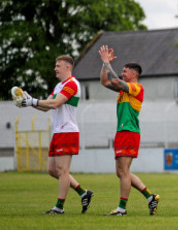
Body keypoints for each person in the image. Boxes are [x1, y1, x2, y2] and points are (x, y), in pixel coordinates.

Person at [14, 55, 93, 214]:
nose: (55, 68)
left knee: (63, 170)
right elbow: (46, 106)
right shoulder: (58, 86)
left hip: (68, 131)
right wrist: (29, 101)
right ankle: (83, 193)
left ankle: (59, 208)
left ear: (68, 67)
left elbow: (56, 103)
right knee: (53, 170)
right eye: (55, 65)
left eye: (58, 66)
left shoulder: (72, 84)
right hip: (58, 132)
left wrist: (33, 101)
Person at [99, 45, 160, 216]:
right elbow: (104, 82)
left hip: (130, 132)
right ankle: (150, 197)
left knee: (123, 171)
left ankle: (122, 209)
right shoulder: (124, 90)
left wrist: (106, 62)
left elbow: (116, 81)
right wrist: (105, 65)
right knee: (121, 172)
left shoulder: (136, 88)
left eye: (125, 71)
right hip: (122, 132)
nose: (122, 73)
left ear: (134, 74)